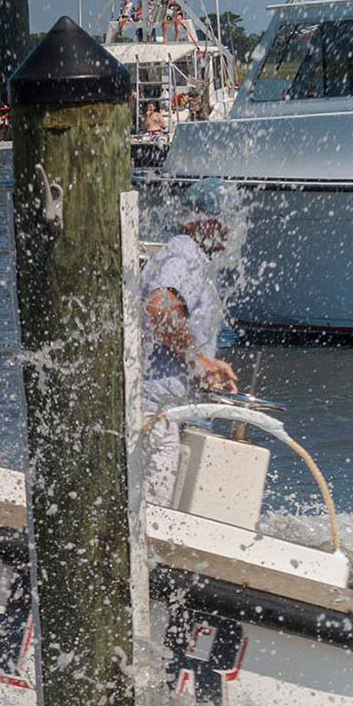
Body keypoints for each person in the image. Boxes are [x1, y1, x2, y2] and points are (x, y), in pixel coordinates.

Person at [140, 178, 238, 507]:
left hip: (161, 413)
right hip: (154, 414)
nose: (230, 231)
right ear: (202, 219)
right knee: (153, 518)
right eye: (226, 220)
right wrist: (200, 362)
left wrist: (207, 361)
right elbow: (160, 309)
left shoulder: (188, 257)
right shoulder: (186, 257)